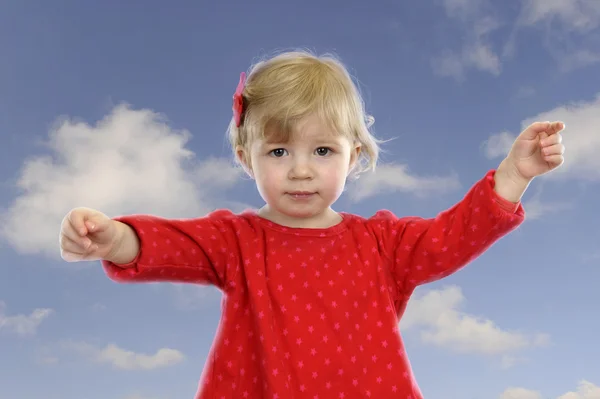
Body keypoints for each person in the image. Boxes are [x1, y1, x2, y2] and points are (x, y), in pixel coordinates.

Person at [59, 50, 566, 399]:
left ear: (354, 157)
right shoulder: (235, 240)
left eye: (322, 151)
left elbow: (451, 237)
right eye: (279, 151)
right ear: (245, 158)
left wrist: (513, 175)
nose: (301, 169)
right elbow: (168, 244)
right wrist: (112, 237)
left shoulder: (382, 243)